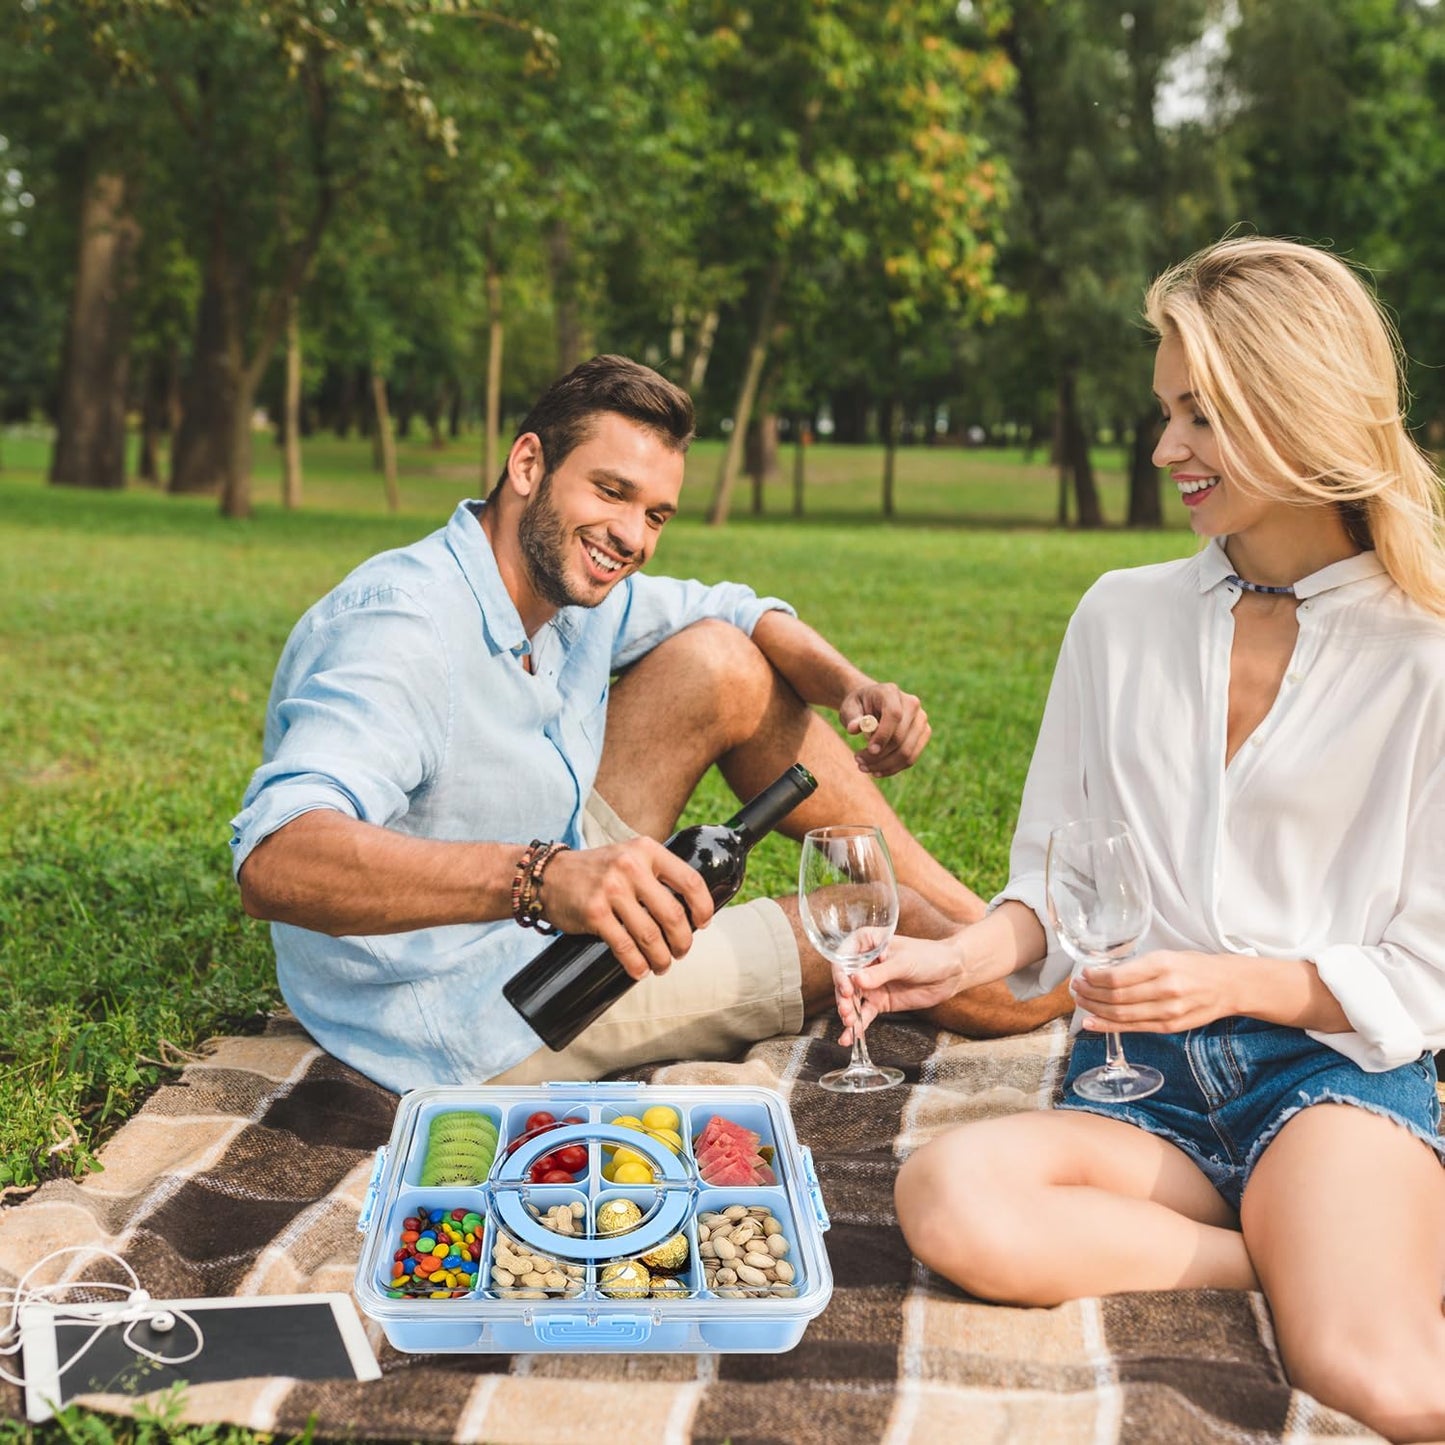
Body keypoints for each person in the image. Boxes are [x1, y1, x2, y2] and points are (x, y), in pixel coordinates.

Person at [844, 238, 1445, 1443]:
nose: (1165, 447)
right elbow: (1058, 881)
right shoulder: (1118, 618)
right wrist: (960, 956)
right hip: (1135, 1088)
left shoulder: (1424, 656)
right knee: (950, 1197)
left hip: (1325, 1080)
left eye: (1199, 415)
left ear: (1298, 411)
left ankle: (1330, 1243)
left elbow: (1426, 967)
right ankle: (1280, 1251)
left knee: (1374, 1377)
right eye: (1166, 410)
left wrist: (1231, 982)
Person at [231, 354, 1068, 1095]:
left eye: (656, 514)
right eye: (610, 491)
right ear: (528, 464)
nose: (631, 536)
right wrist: (542, 879)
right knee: (877, 921)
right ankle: (1089, 979)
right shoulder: (400, 628)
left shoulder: (564, 581)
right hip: (464, 1003)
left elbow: (737, 612)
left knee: (719, 661)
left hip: (546, 877)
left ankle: (1007, 924)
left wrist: (849, 684)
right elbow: (277, 858)